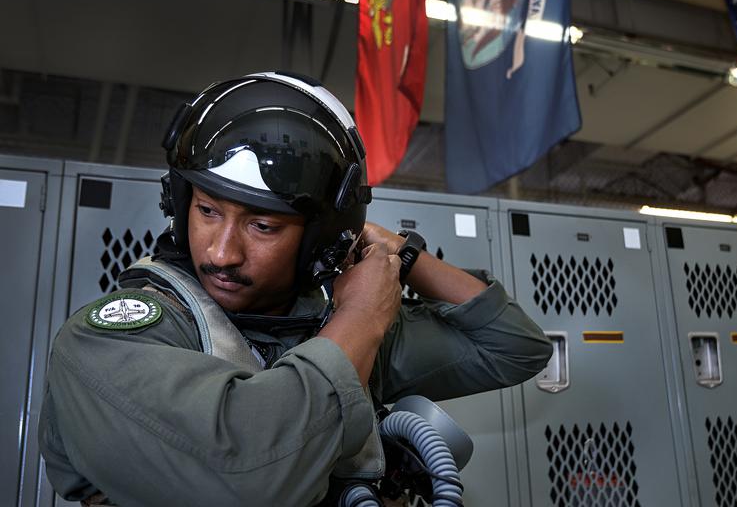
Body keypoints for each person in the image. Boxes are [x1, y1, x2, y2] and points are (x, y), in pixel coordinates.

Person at [38, 72, 552, 506]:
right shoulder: (109, 341)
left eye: (262, 226)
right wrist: (362, 317)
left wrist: (398, 255)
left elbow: (516, 347)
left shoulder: (332, 326)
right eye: (207, 210)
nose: (221, 252)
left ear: (319, 240)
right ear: (179, 203)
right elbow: (250, 473)